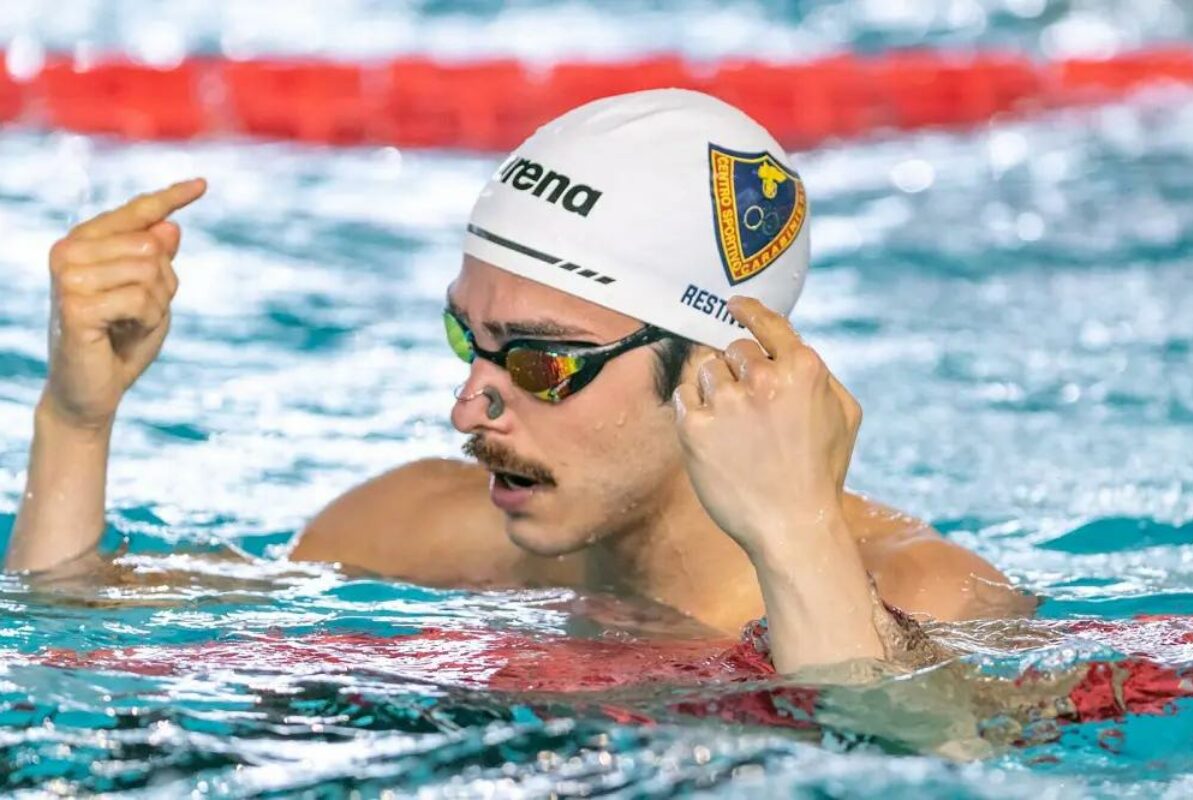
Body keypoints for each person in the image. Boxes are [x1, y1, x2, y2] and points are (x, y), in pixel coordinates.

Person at [4, 90, 1031, 673]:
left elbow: (908, 760)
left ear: (721, 367)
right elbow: (69, 636)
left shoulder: (934, 600)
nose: (470, 406)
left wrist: (800, 540)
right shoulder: (399, 529)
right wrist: (75, 418)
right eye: (469, 337)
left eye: (541, 360)